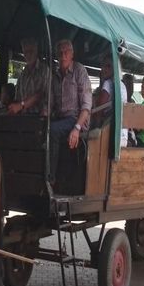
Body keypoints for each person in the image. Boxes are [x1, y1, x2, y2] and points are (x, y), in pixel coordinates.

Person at [49, 39, 92, 181]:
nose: (63, 56)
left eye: (66, 52)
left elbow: (86, 106)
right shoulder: (54, 75)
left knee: (52, 130)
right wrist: (43, 114)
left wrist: (77, 128)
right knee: (39, 127)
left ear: (72, 54)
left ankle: (50, 179)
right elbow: (49, 103)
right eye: (60, 53)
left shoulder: (80, 71)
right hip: (60, 119)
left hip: (76, 119)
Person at [94, 53, 128, 148]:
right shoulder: (123, 86)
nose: (104, 69)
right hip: (124, 136)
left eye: (108, 66)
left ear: (114, 68)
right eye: (103, 66)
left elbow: (99, 111)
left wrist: (95, 126)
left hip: (110, 135)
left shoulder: (108, 84)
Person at [8, 37, 49, 115]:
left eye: (31, 51)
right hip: (23, 117)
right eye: (26, 52)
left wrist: (21, 105)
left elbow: (41, 94)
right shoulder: (22, 75)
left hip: (40, 117)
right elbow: (18, 98)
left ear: (36, 51)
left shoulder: (44, 70)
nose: (28, 55)